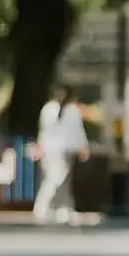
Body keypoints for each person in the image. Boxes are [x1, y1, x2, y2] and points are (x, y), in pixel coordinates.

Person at [32, 85, 89, 223]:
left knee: (58, 179)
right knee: (56, 178)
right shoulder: (71, 111)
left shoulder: (48, 109)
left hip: (50, 149)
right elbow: (77, 132)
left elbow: (43, 130)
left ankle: (63, 208)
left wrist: (40, 146)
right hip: (62, 150)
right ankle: (44, 206)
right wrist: (83, 147)